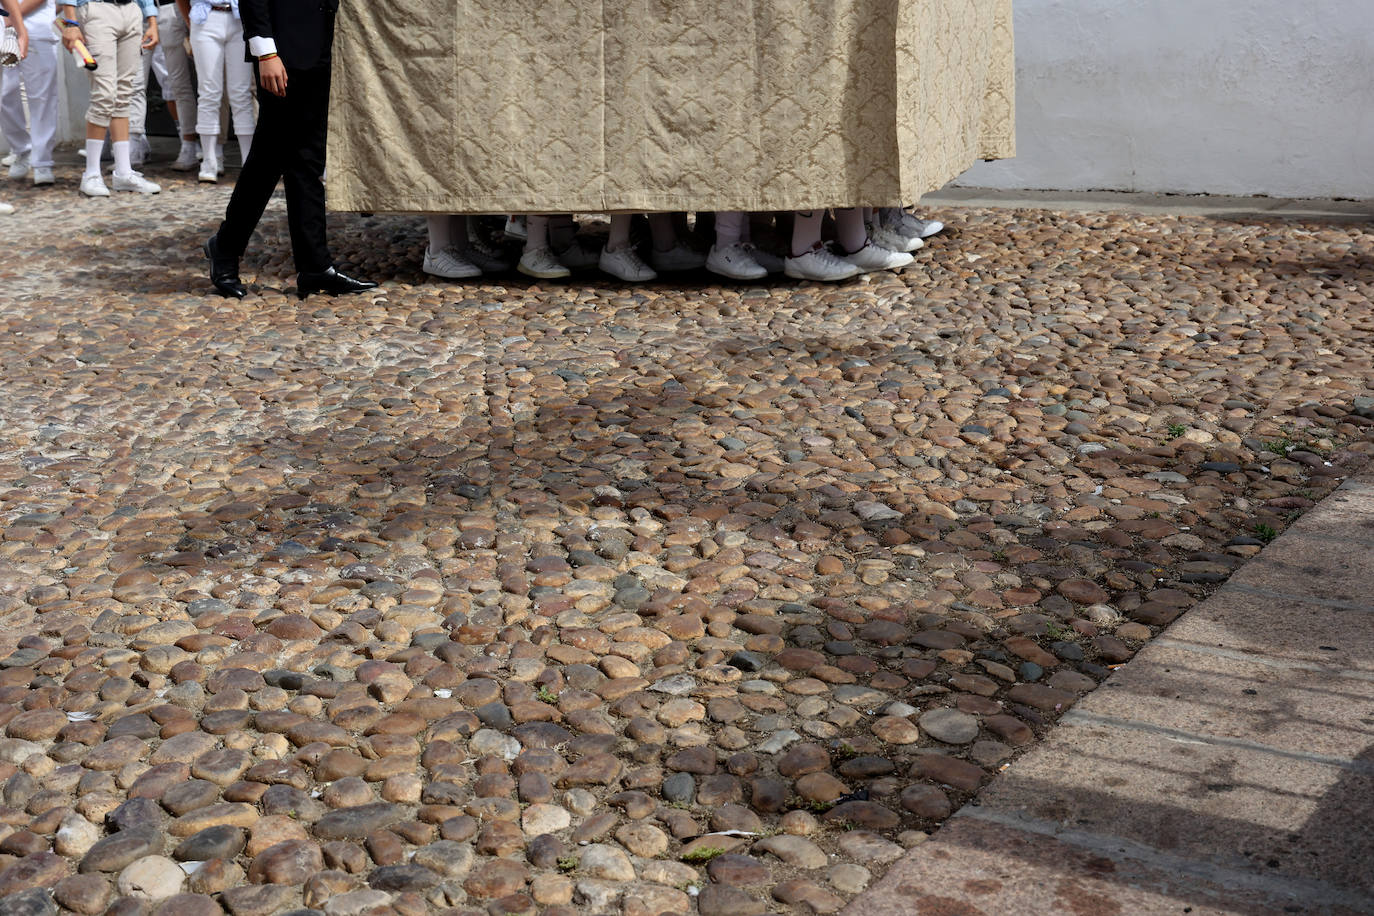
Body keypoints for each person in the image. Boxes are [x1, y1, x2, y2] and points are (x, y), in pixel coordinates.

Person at [204, 0, 374, 298]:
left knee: (306, 160)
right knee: (268, 159)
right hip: (281, 51)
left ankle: (314, 267)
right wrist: (265, 51)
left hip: (320, 43)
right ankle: (226, 246)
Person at [58, 0, 162, 197]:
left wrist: (152, 20)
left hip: (132, 9)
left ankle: (123, 172)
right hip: (96, 8)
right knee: (104, 94)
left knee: (124, 94)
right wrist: (70, 22)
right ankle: (91, 174)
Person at [179, 0, 254, 182]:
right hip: (205, 18)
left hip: (240, 18)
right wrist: (191, 24)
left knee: (241, 93)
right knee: (208, 92)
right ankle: (209, 162)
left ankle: (249, 162)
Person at [1, 0, 54, 188]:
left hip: (37, 27)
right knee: (6, 96)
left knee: (42, 98)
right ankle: (22, 149)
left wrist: (13, 19)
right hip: (5, 28)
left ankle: (42, 161)